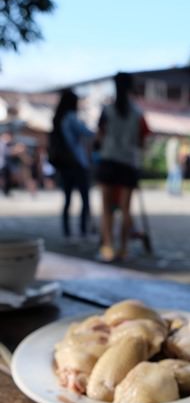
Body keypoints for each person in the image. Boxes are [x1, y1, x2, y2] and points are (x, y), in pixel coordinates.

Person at [96, 72, 150, 262]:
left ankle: (107, 247)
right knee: (126, 208)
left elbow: (99, 137)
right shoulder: (138, 114)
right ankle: (124, 248)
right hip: (128, 163)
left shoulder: (107, 111)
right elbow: (143, 142)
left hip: (109, 160)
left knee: (106, 208)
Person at [51, 89, 94, 241]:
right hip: (77, 162)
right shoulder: (70, 117)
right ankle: (84, 231)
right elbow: (88, 132)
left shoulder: (57, 119)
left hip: (64, 164)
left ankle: (67, 232)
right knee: (84, 199)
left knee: (67, 199)